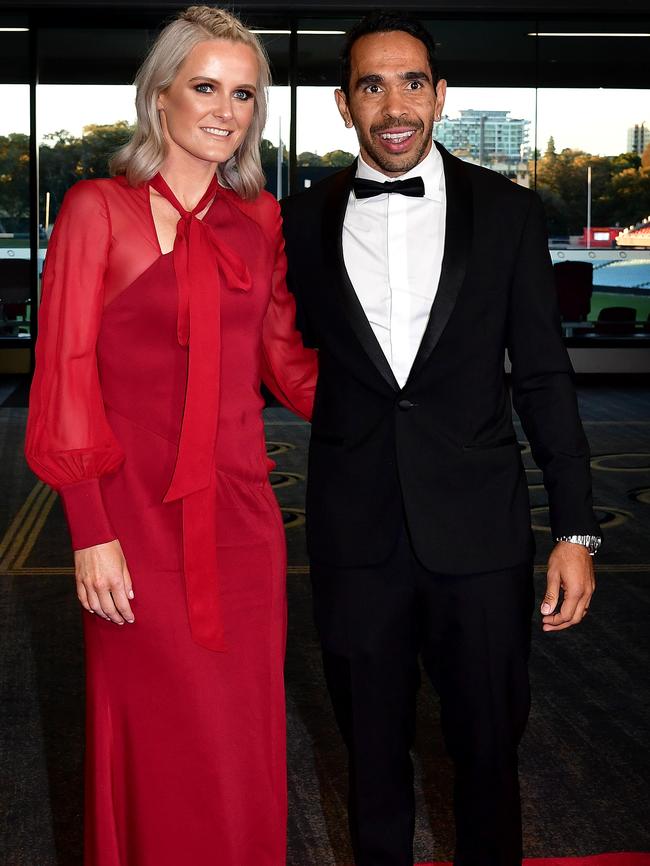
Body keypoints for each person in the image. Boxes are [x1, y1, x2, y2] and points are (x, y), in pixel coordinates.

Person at [280, 11, 600, 866]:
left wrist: (576, 528)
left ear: (441, 94)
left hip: (482, 536)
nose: (395, 104)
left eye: (412, 82)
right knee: (370, 758)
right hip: (355, 535)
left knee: (490, 753)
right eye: (372, 84)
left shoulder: (507, 213)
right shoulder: (298, 222)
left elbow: (541, 376)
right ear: (344, 105)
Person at [25, 6, 317, 866]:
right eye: (205, 87)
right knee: (157, 739)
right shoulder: (96, 210)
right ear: (160, 96)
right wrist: (90, 530)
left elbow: (286, 363)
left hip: (243, 523)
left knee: (240, 742)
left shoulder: (257, 223)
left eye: (244, 94)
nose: (227, 110)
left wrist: (415, 395)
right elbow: (66, 371)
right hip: (132, 525)